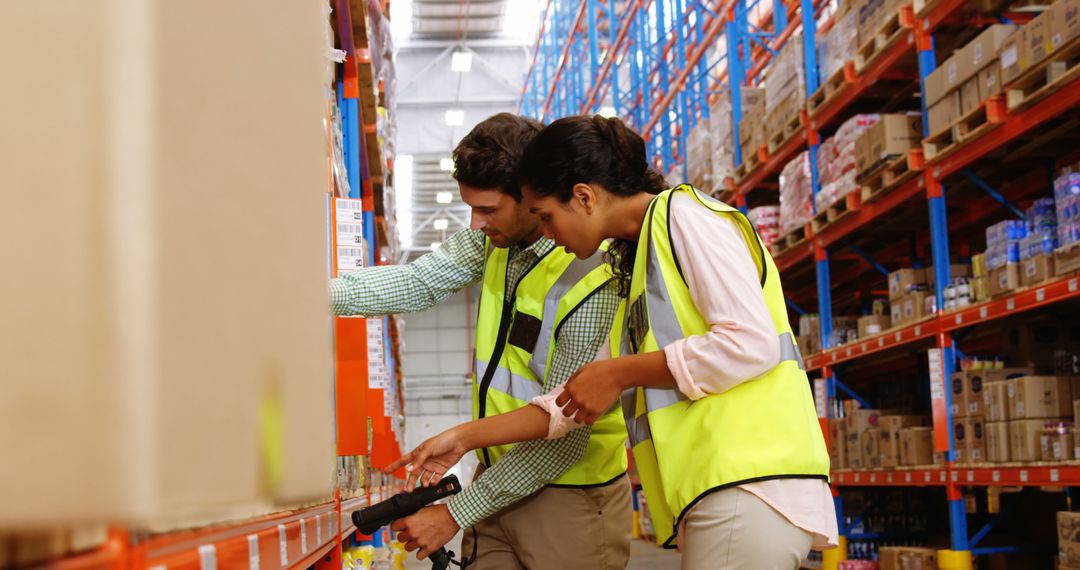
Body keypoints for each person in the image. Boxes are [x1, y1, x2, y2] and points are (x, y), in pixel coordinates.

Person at [389, 115, 838, 569]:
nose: (546, 233)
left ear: (584, 197)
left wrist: (621, 371)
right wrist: (465, 437)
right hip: (720, 486)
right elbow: (570, 404)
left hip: (749, 479)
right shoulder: (637, 263)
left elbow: (750, 343)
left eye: (547, 216)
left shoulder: (684, 216)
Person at [330, 113, 632, 569]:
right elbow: (417, 281)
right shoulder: (492, 243)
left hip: (569, 498)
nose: (475, 223)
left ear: (532, 197)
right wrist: (307, 296)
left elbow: (566, 436)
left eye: (488, 209)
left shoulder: (593, 272)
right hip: (497, 484)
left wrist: (456, 511)